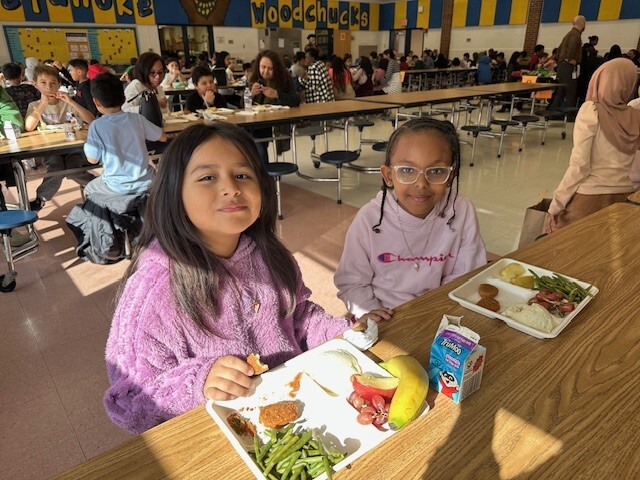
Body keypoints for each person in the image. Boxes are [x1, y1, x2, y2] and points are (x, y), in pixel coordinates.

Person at [103, 122, 386, 433]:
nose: (231, 188)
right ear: (173, 191)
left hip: (298, 413)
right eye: (208, 177)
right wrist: (198, 382)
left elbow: (300, 317)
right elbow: (128, 402)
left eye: (242, 175)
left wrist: (341, 332)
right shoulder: (154, 289)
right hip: (220, 437)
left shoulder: (269, 256)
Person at [334, 118, 486, 316]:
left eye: (437, 171)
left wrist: (437, 309)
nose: (421, 183)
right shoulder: (369, 220)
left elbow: (465, 276)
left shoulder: (461, 211)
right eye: (407, 170)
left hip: (441, 309)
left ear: (451, 176)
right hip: (385, 315)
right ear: (388, 175)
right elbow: (351, 283)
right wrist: (370, 312)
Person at [544, 59, 640, 233]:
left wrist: (556, 204)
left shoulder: (591, 110)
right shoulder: (635, 116)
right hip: (624, 197)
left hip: (589, 199)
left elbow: (579, 166)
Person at [83, 73, 167, 197]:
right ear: (123, 97)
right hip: (147, 181)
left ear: (96, 102)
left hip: (116, 185)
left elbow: (92, 159)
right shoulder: (137, 119)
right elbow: (163, 137)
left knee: (88, 190)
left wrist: (87, 145)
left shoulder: (96, 126)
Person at [25, 65, 96, 210]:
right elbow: (29, 126)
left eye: (53, 83)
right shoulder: (34, 105)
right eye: (43, 83)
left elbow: (91, 120)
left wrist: (71, 102)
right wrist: (43, 104)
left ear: (59, 85)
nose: (48, 87)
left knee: (73, 169)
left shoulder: (66, 103)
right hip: (50, 149)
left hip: (72, 147)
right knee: (57, 167)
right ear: (35, 84)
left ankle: (99, 186)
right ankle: (41, 198)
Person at [249, 50, 301, 164]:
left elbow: (296, 100)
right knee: (251, 138)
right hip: (256, 122)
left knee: (257, 140)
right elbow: (242, 105)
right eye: (263, 67)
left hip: (276, 124)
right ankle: (262, 173)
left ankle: (264, 175)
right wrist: (250, 94)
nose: (265, 71)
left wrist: (277, 94)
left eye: (270, 68)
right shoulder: (253, 79)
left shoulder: (284, 79)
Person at [548, 15, 586, 111]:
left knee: (560, 91)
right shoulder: (575, 35)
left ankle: (553, 112)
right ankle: (568, 114)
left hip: (562, 66)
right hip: (568, 67)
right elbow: (571, 48)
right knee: (570, 91)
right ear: (581, 23)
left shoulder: (568, 34)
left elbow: (559, 50)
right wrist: (569, 59)